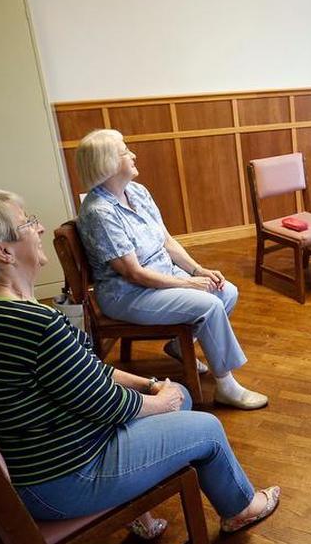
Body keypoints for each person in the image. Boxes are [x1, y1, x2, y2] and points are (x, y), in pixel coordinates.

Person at [0, 188, 279, 539]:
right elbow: (105, 404)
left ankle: (137, 508)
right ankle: (241, 510)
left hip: (43, 463)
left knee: (182, 397)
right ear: (3, 251)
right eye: (27, 223)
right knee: (207, 428)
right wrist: (159, 400)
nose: (38, 229)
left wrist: (149, 386)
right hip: (65, 480)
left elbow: (84, 372)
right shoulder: (35, 324)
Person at [75, 129, 267, 410]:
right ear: (107, 164)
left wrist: (199, 271)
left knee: (227, 292)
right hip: (128, 293)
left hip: (159, 275)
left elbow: (167, 241)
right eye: (125, 151)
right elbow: (134, 274)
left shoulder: (137, 192)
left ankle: (181, 344)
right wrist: (190, 285)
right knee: (210, 305)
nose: (133, 154)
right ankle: (226, 385)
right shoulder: (99, 213)